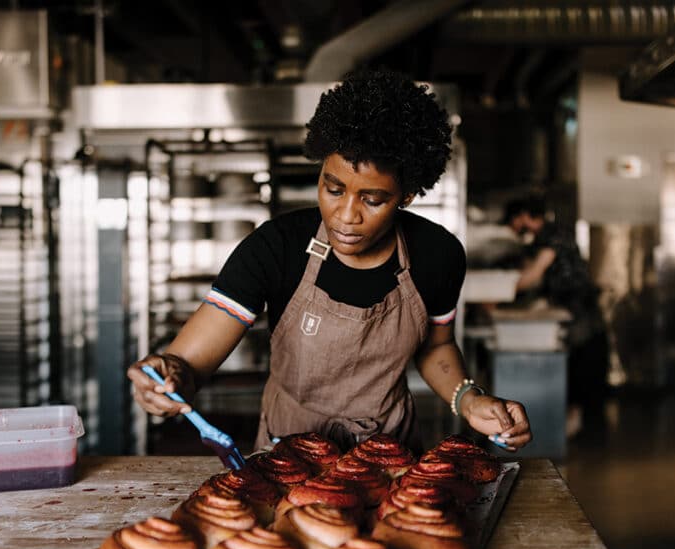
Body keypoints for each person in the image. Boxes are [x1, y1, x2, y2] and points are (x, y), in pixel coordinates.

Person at [128, 70, 531, 453]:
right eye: (333, 188)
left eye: (372, 199)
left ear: (407, 195)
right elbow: (188, 363)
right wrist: (167, 376)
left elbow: (435, 346)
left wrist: (469, 400)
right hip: (286, 456)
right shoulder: (276, 247)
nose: (346, 215)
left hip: (390, 457)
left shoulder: (436, 254)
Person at [502, 197, 609, 423]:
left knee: (583, 360)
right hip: (569, 305)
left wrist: (499, 293)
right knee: (579, 359)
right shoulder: (542, 238)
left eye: (515, 222)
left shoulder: (554, 235)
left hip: (579, 307)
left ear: (523, 217)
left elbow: (534, 274)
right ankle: (578, 419)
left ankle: (582, 420)